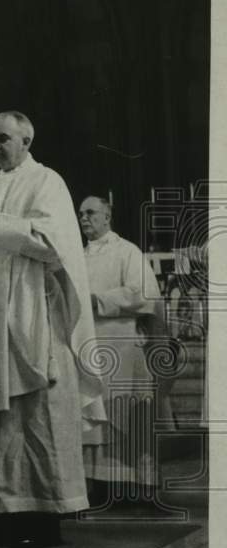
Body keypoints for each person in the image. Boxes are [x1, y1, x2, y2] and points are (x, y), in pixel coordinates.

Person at [0, 111, 106, 547]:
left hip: (34, 312)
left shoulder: (47, 182)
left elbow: (53, 244)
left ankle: (44, 518)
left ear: (26, 141)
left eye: (3, 138)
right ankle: (2, 512)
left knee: (37, 416)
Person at [79, 195, 166, 501]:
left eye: (90, 212)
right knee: (92, 414)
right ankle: (96, 482)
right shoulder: (77, 257)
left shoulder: (126, 251)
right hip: (87, 347)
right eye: (81, 214)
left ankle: (135, 483)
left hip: (120, 341)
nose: (84, 218)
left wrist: (98, 300)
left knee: (123, 414)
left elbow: (143, 293)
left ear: (107, 216)